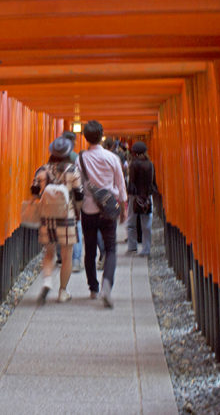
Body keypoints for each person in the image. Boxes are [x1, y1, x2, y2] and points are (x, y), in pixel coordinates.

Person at [77, 121, 127, 308]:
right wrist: (123, 207)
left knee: (89, 249)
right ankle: (107, 284)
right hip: (109, 208)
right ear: (102, 135)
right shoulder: (111, 158)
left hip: (88, 208)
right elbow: (121, 184)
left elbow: (78, 186)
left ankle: (93, 288)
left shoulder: (80, 159)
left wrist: (76, 208)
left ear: (85, 137)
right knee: (111, 249)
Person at [31, 136, 84, 304]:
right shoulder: (72, 170)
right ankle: (63, 291)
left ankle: (47, 281)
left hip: (47, 218)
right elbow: (79, 194)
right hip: (67, 218)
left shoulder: (42, 170)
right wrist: (78, 211)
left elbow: (34, 191)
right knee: (67, 256)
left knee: (49, 253)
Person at [125, 141, 157, 257]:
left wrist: (128, 194)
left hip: (135, 196)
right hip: (147, 196)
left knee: (131, 222)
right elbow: (153, 182)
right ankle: (146, 249)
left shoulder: (134, 164)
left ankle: (132, 247)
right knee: (147, 224)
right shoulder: (150, 164)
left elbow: (132, 182)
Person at [60, 130, 83, 272]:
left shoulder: (55, 157)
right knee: (76, 227)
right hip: (73, 196)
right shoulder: (76, 158)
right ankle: (75, 260)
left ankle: (61, 257)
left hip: (58, 197)